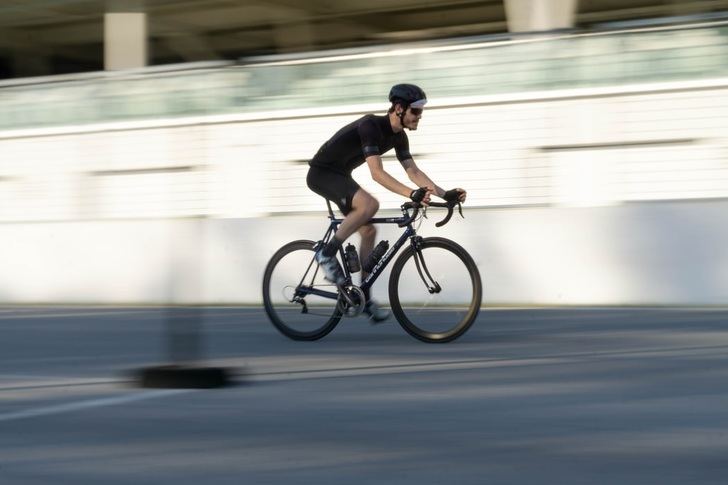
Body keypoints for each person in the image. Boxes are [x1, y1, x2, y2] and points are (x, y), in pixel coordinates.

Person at [306, 83, 467, 322]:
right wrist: (411, 194)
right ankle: (326, 254)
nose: (419, 117)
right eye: (416, 111)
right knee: (370, 204)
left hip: (340, 177)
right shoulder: (371, 126)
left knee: (369, 230)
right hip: (322, 174)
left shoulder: (399, 137)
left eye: (421, 112)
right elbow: (377, 173)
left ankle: (364, 298)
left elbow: (413, 171)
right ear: (399, 108)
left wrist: (446, 194)